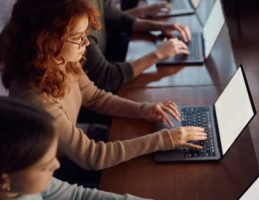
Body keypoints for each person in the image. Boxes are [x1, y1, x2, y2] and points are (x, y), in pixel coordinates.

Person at [0, 0, 206, 185]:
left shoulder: (61, 61)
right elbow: (93, 156)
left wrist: (145, 110)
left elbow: (95, 96)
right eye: (79, 38)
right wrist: (163, 140)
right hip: (58, 173)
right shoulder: (36, 99)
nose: (87, 43)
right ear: (49, 41)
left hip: (78, 147)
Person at [0, 97, 148, 200]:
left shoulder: (20, 184)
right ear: (4, 180)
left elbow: (77, 195)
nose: (56, 165)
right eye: (44, 167)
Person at [86, 0, 191, 92]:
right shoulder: (80, 23)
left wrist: (161, 27)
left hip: (114, 60)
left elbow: (120, 20)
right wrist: (159, 54)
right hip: (105, 90)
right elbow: (107, 78)